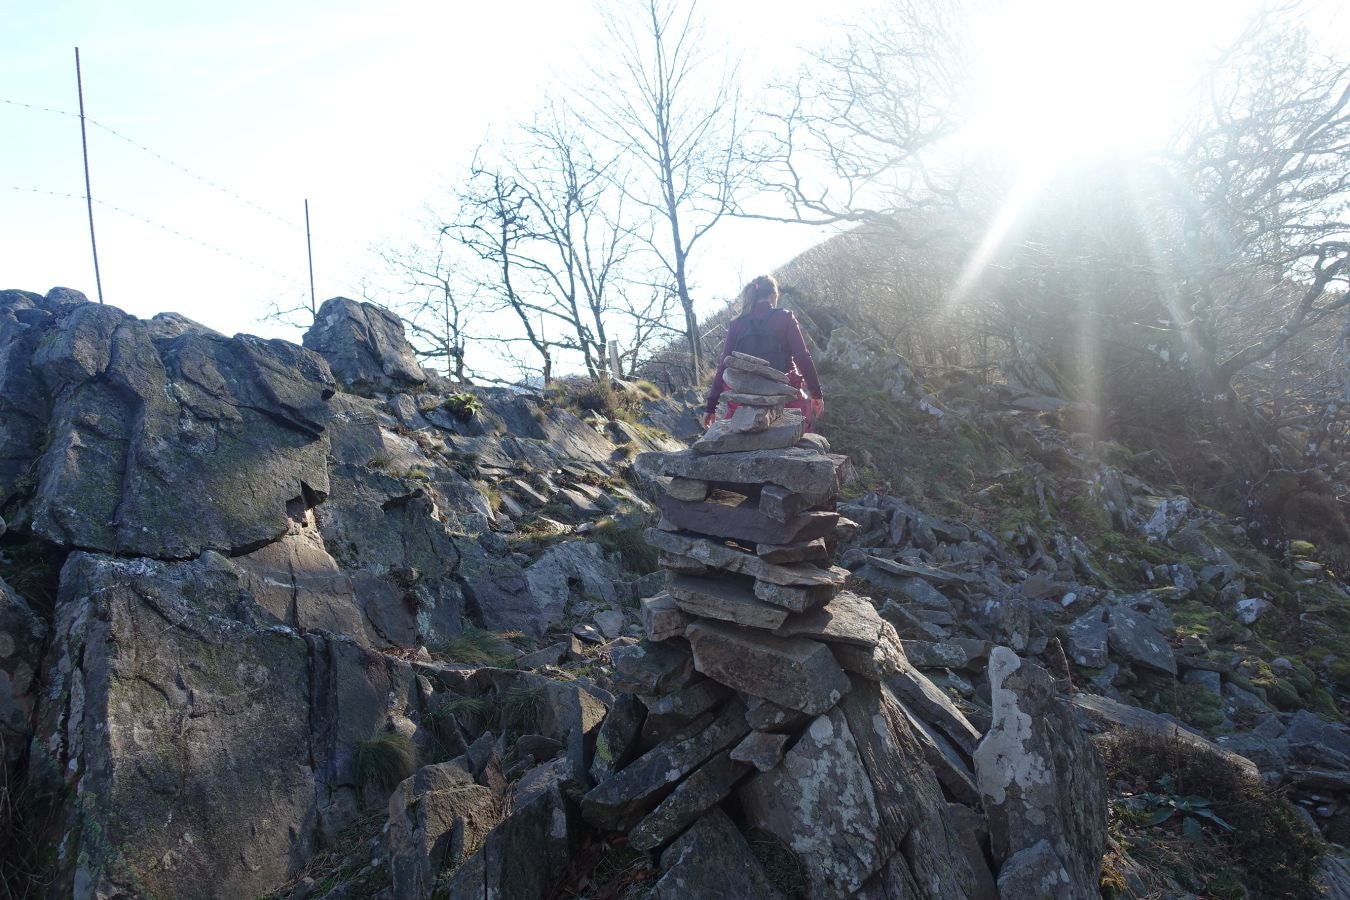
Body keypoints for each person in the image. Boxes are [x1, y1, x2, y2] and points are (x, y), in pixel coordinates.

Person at [702, 275, 824, 430]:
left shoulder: (737, 324)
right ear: (773, 295)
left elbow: (724, 366)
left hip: (745, 401)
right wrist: (816, 394)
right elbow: (802, 357)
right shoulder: (784, 317)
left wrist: (710, 406)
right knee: (799, 432)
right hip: (784, 398)